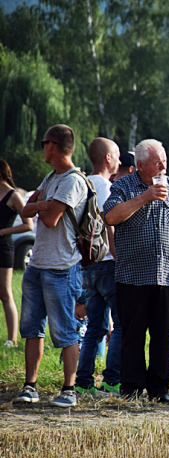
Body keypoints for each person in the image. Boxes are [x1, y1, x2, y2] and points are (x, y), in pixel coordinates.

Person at [104, 139, 169, 403]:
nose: (163, 166)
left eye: (164, 160)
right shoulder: (123, 186)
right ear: (140, 166)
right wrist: (145, 197)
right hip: (132, 276)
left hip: (167, 276)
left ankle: (160, 389)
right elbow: (111, 217)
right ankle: (132, 389)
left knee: (162, 336)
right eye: (157, 163)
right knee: (132, 335)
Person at [15, 125, 89, 407]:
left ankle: (69, 389)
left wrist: (41, 205)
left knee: (65, 330)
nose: (42, 147)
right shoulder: (50, 177)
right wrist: (44, 205)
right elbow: (25, 209)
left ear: (53, 146)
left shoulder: (73, 181)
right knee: (32, 328)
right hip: (37, 266)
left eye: (44, 142)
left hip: (61, 266)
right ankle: (30, 385)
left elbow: (49, 219)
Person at [74, 138, 123, 396]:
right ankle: (112, 379)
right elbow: (109, 224)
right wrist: (118, 258)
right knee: (121, 323)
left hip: (87, 264)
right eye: (116, 155)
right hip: (107, 263)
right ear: (107, 158)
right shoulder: (106, 187)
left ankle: (82, 382)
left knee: (94, 326)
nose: (118, 160)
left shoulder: (82, 183)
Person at [0, 160, 33, 347]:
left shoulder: (13, 196)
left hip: (4, 246)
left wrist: (3, 232)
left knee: (5, 293)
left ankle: (12, 339)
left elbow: (28, 224)